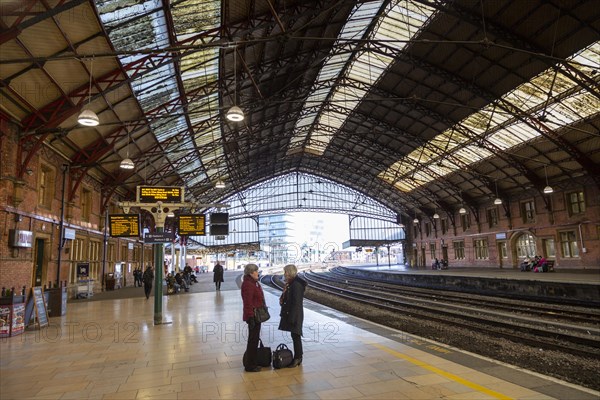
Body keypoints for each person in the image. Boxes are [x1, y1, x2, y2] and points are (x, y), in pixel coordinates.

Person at [278, 264, 307, 368]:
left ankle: (298, 358)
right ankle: (298, 357)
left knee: (296, 335)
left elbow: (296, 303)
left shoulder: (296, 285)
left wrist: (293, 318)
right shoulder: (291, 284)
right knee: (295, 335)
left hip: (296, 315)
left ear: (290, 272)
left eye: (286, 272)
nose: (284, 274)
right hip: (293, 314)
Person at [241, 263, 264, 372]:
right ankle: (250, 365)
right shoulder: (248, 285)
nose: (257, 273)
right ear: (251, 273)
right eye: (256, 271)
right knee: (252, 341)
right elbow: (248, 302)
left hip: (255, 315)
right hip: (252, 316)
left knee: (254, 340)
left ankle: (253, 362)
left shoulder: (253, 283)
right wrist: (250, 317)